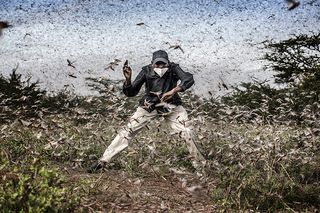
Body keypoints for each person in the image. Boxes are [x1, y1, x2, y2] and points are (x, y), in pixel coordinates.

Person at [88, 50, 205, 173]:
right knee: (127, 131)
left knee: (186, 131)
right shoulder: (146, 71)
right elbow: (131, 92)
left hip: (171, 105)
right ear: (152, 64)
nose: (160, 67)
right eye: (157, 64)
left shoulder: (174, 68)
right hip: (149, 105)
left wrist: (174, 90)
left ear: (168, 63)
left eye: (163, 64)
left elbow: (188, 79)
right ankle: (102, 161)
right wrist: (128, 80)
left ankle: (201, 167)